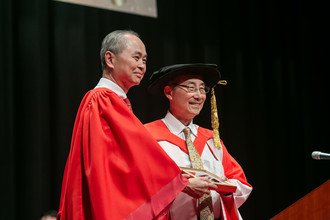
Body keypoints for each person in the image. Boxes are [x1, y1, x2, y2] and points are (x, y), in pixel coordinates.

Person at [57, 30, 198, 219]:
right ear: (110, 59)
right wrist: (181, 182)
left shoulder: (113, 101)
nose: (142, 66)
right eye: (136, 57)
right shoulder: (102, 100)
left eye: (145, 60)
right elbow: (137, 154)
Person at [144, 63, 253, 220]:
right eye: (191, 88)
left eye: (202, 89)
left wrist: (226, 188)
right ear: (169, 92)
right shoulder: (148, 136)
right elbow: (138, 185)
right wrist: (180, 186)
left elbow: (241, 183)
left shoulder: (211, 138)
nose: (199, 95)